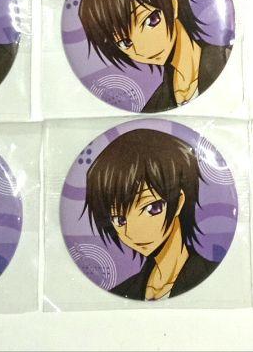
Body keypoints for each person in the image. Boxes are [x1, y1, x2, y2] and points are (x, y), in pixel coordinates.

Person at [78, 0, 230, 111]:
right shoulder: (155, 104)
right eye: (125, 42)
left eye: (150, 21)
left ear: (173, 5)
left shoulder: (225, 62)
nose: (143, 49)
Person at [84, 128, 218, 300]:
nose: (133, 232)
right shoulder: (123, 291)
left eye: (151, 208)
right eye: (119, 220)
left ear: (179, 201)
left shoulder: (214, 279)